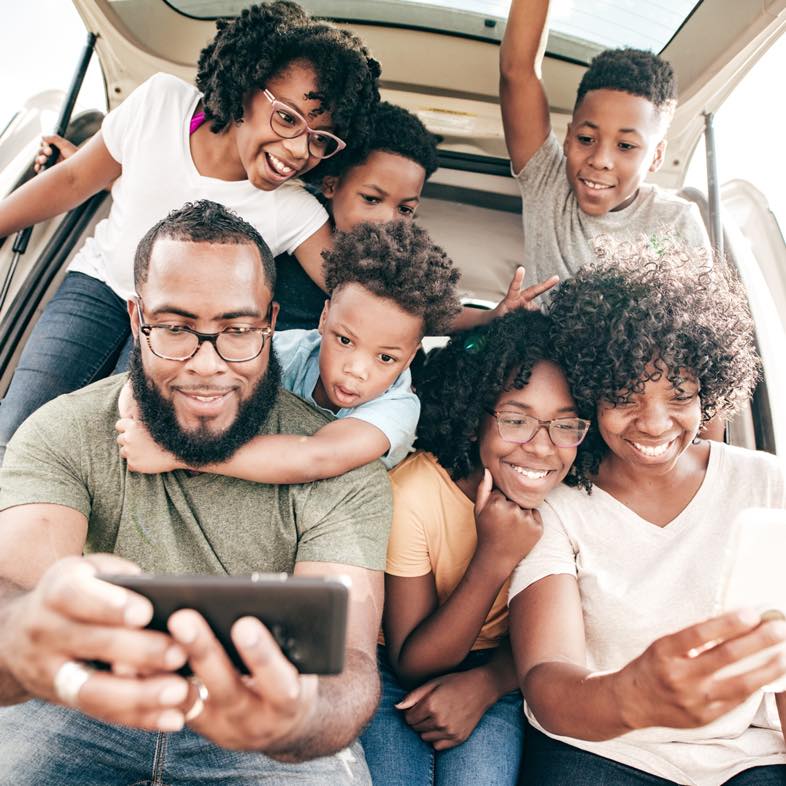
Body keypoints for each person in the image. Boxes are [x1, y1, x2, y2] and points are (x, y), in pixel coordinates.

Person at [0, 200, 392, 785]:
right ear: (137, 321)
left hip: (265, 725)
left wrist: (300, 715)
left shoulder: (341, 464)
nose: (207, 365)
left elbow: (349, 659)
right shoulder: (64, 428)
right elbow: (13, 589)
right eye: (177, 328)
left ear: (272, 323)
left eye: (236, 331)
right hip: (74, 700)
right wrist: (21, 635)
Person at [0, 1, 380, 460]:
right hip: (99, 289)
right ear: (245, 86)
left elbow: (359, 293)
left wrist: (463, 321)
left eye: (321, 138)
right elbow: (74, 180)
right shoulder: (160, 104)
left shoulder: (294, 210)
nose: (300, 150)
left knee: (112, 453)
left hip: (179, 334)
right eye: (287, 118)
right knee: (18, 432)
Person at [508, 239, 786, 785]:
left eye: (679, 394)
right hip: (601, 748)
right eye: (625, 394)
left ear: (711, 388)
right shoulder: (557, 503)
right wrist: (634, 698)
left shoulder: (766, 484)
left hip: (747, 755)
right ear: (588, 393)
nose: (655, 423)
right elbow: (546, 683)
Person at [360, 310, 591, 785]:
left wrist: (489, 683)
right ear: (471, 421)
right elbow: (412, 662)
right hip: (394, 662)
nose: (542, 447)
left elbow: (566, 642)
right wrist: (494, 559)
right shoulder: (414, 494)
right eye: (514, 420)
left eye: (566, 425)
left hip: (504, 669)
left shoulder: (572, 504)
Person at [115, 219, 461, 480]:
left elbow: (317, 456)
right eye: (344, 340)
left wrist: (179, 455)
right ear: (324, 318)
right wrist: (135, 400)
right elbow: (207, 368)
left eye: (385, 358)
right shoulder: (294, 349)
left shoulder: (397, 408)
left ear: (411, 356)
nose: (356, 369)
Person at [273, 98, 557, 334]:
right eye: (371, 199)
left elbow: (418, 311)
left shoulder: (396, 260)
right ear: (331, 185)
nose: (387, 220)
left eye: (405, 209)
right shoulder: (301, 214)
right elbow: (373, 297)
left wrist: (490, 316)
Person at [499, 0, 711, 287]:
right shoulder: (548, 182)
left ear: (656, 156)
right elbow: (517, 71)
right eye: (586, 139)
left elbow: (693, 323)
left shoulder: (676, 220)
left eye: (625, 145)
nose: (600, 159)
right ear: (568, 136)